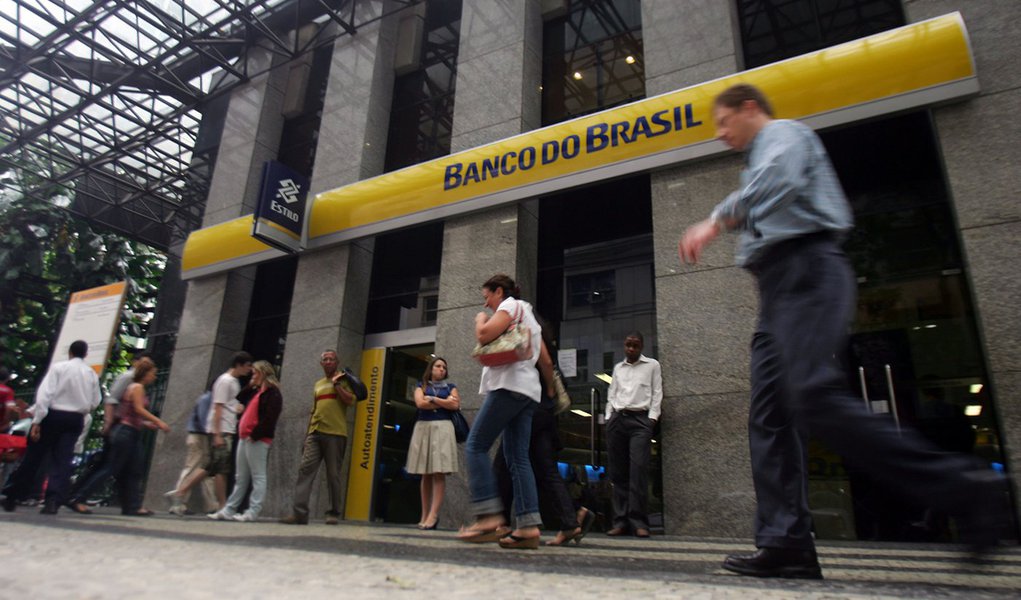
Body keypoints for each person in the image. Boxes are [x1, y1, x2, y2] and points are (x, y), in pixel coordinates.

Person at [678, 83, 1006, 579]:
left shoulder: (783, 135)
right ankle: (786, 541)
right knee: (769, 416)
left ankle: (964, 488)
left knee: (813, 395)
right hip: (778, 291)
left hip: (808, 271)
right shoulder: (760, 157)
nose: (721, 134)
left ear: (749, 108)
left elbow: (780, 178)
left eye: (724, 122)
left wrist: (716, 221)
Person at [456, 274, 555, 550]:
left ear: (499, 291)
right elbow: (545, 360)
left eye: (487, 296)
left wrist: (479, 321)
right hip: (528, 392)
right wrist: (548, 390)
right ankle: (528, 527)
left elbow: (485, 335)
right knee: (517, 458)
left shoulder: (509, 306)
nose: (486, 303)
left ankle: (488, 515)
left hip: (507, 386)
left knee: (475, 446)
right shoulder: (531, 317)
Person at [493, 318, 597, 546]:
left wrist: (548, 391)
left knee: (505, 463)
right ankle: (573, 518)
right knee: (544, 470)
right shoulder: (546, 342)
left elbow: (545, 367)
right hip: (544, 414)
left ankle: (499, 523)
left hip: (531, 410)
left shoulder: (529, 338)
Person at [2, 340, 101, 514]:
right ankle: (53, 500)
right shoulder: (91, 374)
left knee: (34, 456)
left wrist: (37, 420)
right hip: (75, 419)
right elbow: (95, 401)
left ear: (70, 352)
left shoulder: (59, 368)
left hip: (53, 415)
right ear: (85, 354)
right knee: (62, 459)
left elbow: (44, 395)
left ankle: (13, 494)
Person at [67, 358, 170, 515]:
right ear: (145, 374)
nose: (154, 377)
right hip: (126, 433)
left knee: (133, 469)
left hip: (130, 432)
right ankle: (78, 498)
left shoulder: (134, 387)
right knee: (111, 467)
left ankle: (133, 506)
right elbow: (138, 408)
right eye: (152, 374)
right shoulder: (137, 387)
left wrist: (145, 424)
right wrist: (158, 421)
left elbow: (129, 413)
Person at [166, 351, 252, 512]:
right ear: (239, 365)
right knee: (219, 469)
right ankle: (221, 505)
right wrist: (218, 434)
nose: (249, 370)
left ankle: (183, 493)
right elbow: (217, 407)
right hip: (223, 431)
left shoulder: (231, 382)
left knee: (212, 467)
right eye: (247, 366)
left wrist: (235, 408)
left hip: (225, 430)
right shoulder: (226, 381)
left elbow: (224, 405)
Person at [279, 349, 355, 525]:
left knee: (333, 475)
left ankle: (333, 513)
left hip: (336, 433)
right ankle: (299, 513)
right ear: (321, 364)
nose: (328, 362)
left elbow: (350, 401)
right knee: (305, 471)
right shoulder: (318, 384)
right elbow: (314, 411)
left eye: (331, 359)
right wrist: (307, 435)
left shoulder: (344, 380)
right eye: (325, 359)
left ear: (337, 362)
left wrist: (337, 385)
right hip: (315, 433)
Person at [604, 332, 662, 538]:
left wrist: (652, 419)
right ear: (624, 345)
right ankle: (620, 521)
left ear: (642, 346)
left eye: (635, 346)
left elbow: (657, 393)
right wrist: (609, 417)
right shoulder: (618, 368)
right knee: (618, 474)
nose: (631, 349)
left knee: (638, 471)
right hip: (618, 419)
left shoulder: (652, 365)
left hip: (640, 421)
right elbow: (612, 394)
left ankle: (639, 522)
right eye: (628, 345)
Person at [209, 360, 282, 522]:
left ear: (263, 373)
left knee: (258, 475)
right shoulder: (256, 392)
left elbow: (270, 418)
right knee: (240, 477)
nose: (253, 375)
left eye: (256, 373)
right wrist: (251, 384)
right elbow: (239, 397)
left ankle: (253, 511)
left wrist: (255, 434)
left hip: (257, 438)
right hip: (245, 437)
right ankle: (229, 509)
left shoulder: (273, 393)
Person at [406, 356, 459, 530]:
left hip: (443, 428)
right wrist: (445, 402)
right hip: (423, 428)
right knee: (425, 473)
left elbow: (455, 405)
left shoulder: (451, 387)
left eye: (444, 366)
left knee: (439, 472)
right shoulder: (421, 386)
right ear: (431, 368)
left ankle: (433, 515)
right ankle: (424, 514)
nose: (441, 369)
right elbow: (420, 403)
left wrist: (434, 400)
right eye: (438, 366)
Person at [167, 379, 218, 515]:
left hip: (199, 436)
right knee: (193, 468)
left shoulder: (207, 398)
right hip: (199, 436)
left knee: (205, 470)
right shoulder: (207, 399)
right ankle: (178, 499)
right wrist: (213, 434)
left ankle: (212, 504)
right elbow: (203, 420)